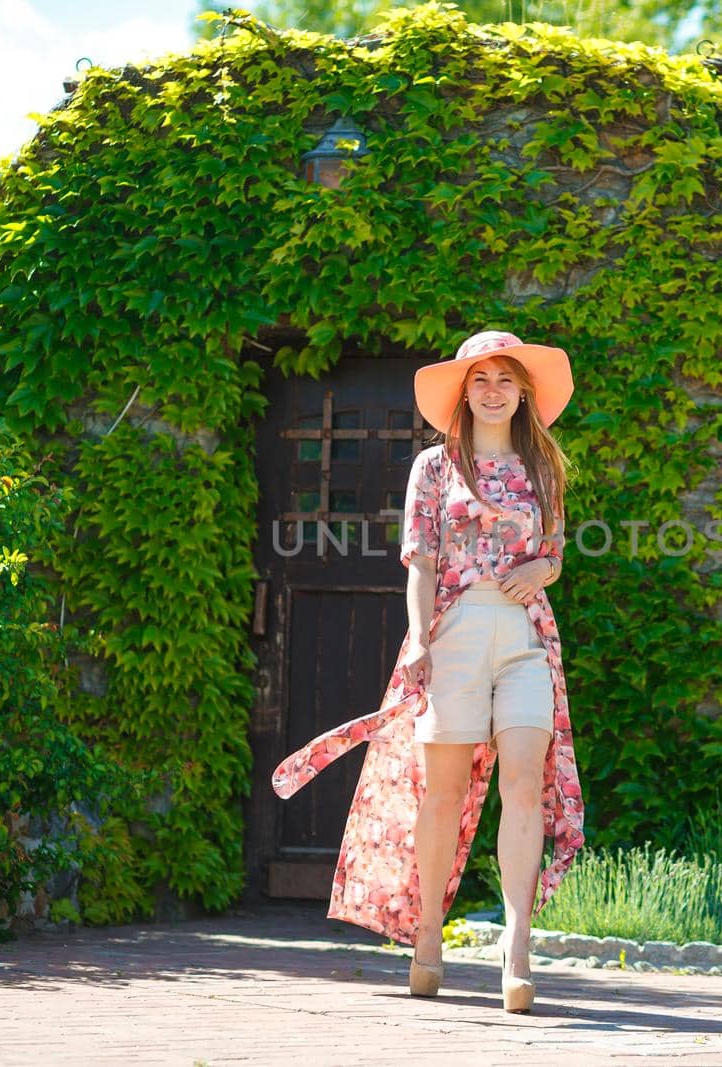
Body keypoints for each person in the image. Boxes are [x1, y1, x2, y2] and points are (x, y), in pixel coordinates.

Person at [271, 330, 585, 1015]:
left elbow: (553, 550)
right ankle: (426, 940)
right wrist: (418, 638)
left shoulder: (545, 468)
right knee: (441, 796)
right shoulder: (434, 468)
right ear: (464, 393)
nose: (494, 390)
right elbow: (419, 559)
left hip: (527, 640)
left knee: (525, 784)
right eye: (481, 380)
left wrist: (546, 567)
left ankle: (518, 949)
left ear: (523, 391)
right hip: (453, 637)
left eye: (506, 378)